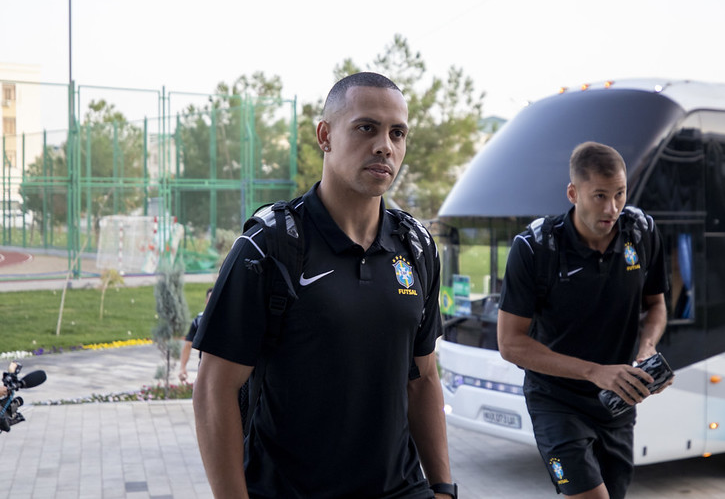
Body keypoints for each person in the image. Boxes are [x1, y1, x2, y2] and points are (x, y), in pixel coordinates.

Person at [192, 72, 455, 499]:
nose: (385, 145)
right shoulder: (269, 246)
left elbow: (422, 378)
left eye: (397, 132)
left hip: (402, 489)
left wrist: (442, 486)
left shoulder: (417, 246)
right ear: (325, 135)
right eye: (366, 127)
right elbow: (213, 388)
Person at [497, 141, 670, 499]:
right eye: (600, 196)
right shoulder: (535, 246)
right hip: (555, 401)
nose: (613, 208)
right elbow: (510, 344)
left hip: (617, 404)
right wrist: (595, 371)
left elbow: (656, 305)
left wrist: (646, 349)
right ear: (573, 193)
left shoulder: (642, 231)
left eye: (620, 194)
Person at [178, 287, 213, 383]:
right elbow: (188, 345)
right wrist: (182, 367)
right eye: (211, 299)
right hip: (204, 366)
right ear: (206, 301)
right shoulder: (199, 321)